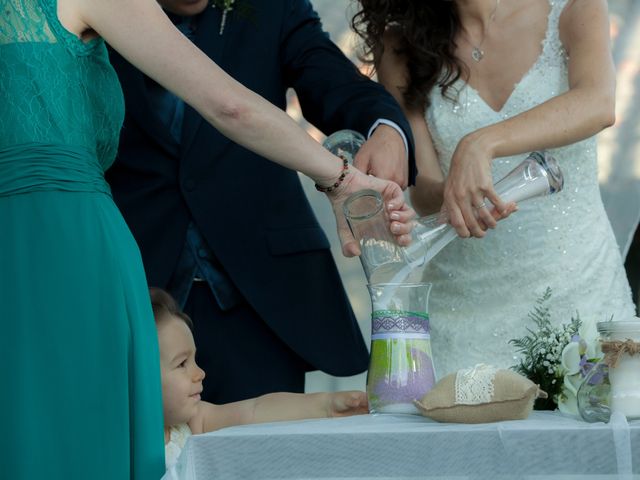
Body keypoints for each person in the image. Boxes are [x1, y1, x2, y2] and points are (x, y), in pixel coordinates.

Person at [0, 0, 414, 478]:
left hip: (252, 299)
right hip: (84, 262)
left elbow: (328, 75)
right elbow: (229, 105)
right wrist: (343, 181)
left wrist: (383, 132)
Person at [106, 0, 417, 404]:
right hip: (134, 288)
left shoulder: (273, 6)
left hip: (260, 297)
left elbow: (329, 76)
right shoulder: (93, 11)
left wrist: (385, 127)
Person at [352, 0, 636, 377]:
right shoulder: (400, 44)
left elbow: (598, 103)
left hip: (580, 293)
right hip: (461, 316)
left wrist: (480, 143)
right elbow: (424, 191)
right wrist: (461, 194)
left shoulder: (574, 7)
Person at [149, 288, 368, 473]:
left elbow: (255, 410)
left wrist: (326, 406)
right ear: (139, 374)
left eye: (194, 359)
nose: (200, 373)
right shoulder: (118, 442)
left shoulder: (191, 423)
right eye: (182, 363)